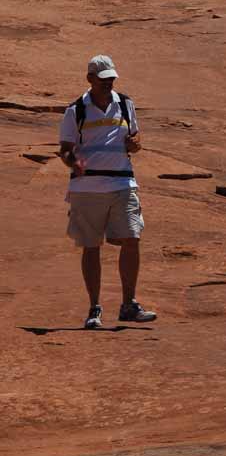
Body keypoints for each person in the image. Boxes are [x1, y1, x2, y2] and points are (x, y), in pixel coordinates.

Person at [59, 54, 156, 329]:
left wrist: (135, 144)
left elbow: (135, 141)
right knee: (91, 246)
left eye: (111, 79)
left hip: (123, 183)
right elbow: (65, 148)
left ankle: (129, 304)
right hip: (87, 187)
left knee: (132, 237)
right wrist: (71, 161)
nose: (108, 84)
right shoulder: (75, 110)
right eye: (103, 79)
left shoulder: (125, 104)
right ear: (89, 79)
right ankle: (95, 308)